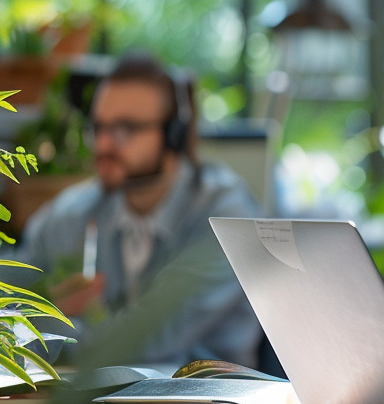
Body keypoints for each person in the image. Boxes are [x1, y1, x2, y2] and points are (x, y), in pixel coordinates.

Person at [6, 53, 263, 369]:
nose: (103, 144)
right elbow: (11, 284)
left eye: (125, 129)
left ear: (173, 135)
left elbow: (146, 339)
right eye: (98, 127)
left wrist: (44, 324)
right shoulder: (76, 212)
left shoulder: (224, 217)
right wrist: (42, 302)